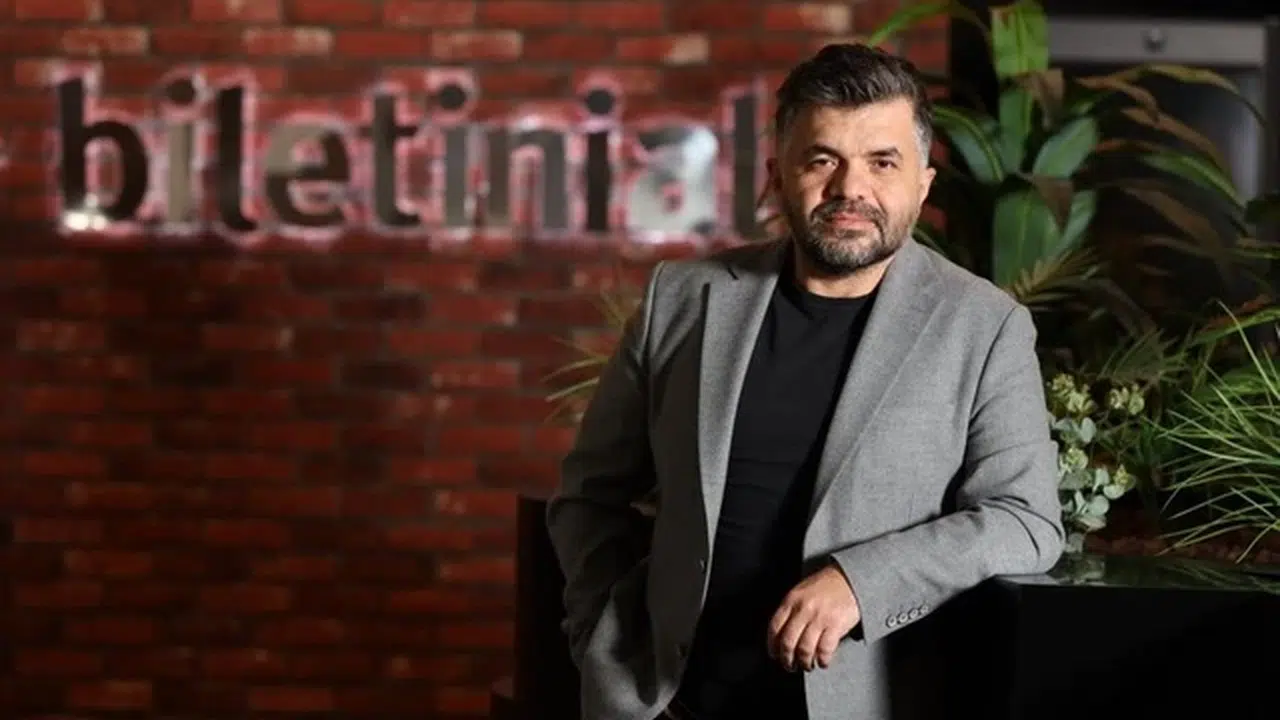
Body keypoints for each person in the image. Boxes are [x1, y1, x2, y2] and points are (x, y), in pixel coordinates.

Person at [546, 43, 1065, 720]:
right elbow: (590, 494)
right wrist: (599, 641)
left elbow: (1025, 520)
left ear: (923, 184)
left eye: (882, 162)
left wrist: (862, 582)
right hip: (672, 706)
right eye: (823, 160)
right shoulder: (684, 298)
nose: (851, 188)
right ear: (778, 176)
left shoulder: (985, 326)